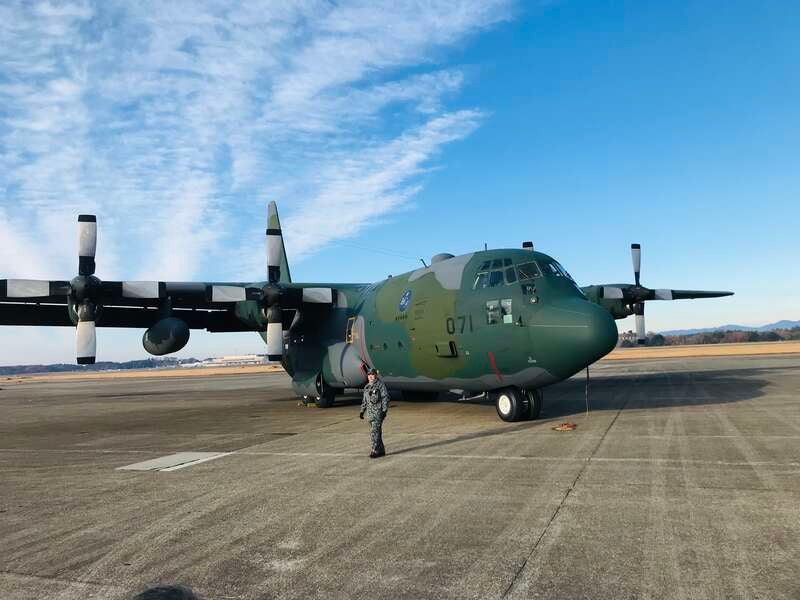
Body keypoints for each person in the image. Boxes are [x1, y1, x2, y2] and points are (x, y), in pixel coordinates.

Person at [359, 368, 389, 458]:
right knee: (377, 432)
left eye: (372, 374)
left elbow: (385, 398)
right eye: (369, 375)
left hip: (378, 413)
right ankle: (381, 450)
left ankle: (375, 450)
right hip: (370, 414)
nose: (371, 376)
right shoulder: (367, 387)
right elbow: (365, 401)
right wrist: (362, 411)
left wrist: (384, 410)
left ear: (376, 375)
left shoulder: (380, 385)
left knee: (374, 432)